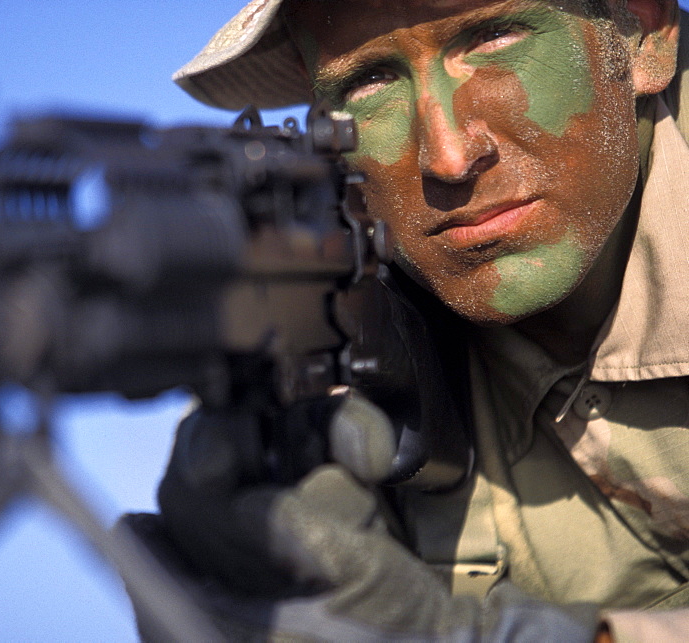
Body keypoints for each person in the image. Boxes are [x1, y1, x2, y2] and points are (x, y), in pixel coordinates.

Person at [123, 0, 689, 640]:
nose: (448, 157)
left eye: (495, 38)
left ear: (645, 32)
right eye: (369, 81)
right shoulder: (322, 312)